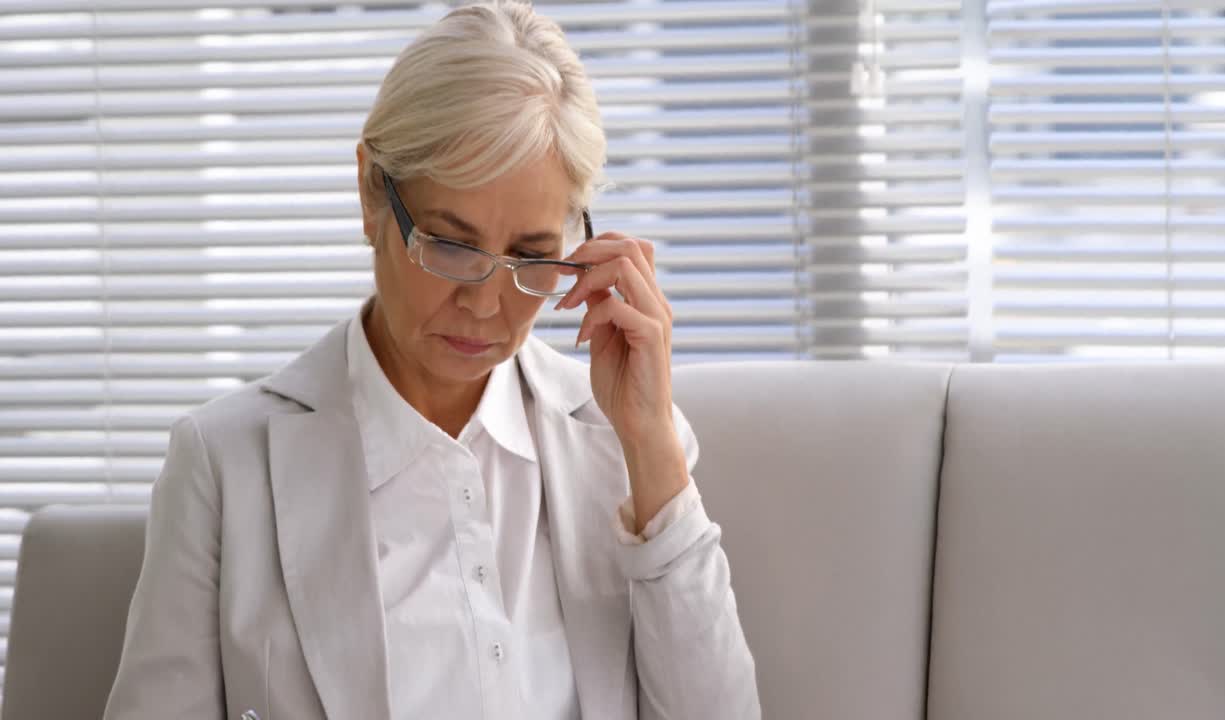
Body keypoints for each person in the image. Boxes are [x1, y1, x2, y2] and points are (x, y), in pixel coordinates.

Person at [103, 2, 760, 718]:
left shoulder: (624, 444)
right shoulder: (224, 465)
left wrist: (653, 447)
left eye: (532, 257)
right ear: (371, 194)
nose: (485, 304)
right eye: (450, 244)